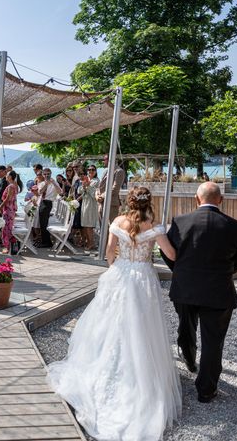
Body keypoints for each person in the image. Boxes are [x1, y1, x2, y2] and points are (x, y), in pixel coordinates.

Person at [47, 187, 181, 440]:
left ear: (127, 201)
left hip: (120, 274)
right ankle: (140, 371)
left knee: (109, 325)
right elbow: (171, 254)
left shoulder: (117, 222)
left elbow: (109, 251)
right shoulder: (154, 226)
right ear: (148, 202)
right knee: (141, 326)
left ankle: (104, 365)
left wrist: (116, 268)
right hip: (143, 277)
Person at [161, 182, 237, 404]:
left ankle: (189, 361)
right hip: (218, 292)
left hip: (185, 288)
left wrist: (181, 274)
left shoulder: (180, 222)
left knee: (186, 328)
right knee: (213, 341)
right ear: (221, 200)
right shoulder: (235, 226)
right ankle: (206, 390)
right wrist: (222, 274)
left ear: (196, 200)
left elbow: (169, 254)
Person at [36, 168, 62, 248]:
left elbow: (60, 192)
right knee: (42, 223)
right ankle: (45, 241)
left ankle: (47, 242)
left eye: (48, 174)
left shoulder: (54, 183)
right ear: (43, 175)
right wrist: (46, 184)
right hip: (42, 202)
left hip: (48, 203)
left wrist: (53, 183)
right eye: (45, 174)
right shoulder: (42, 183)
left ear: (51, 174)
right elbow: (40, 192)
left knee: (44, 223)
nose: (47, 175)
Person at [0, 170, 22, 254]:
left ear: (10, 177)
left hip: (8, 209)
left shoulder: (11, 186)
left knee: (6, 229)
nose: (5, 176)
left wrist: (0, 206)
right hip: (10, 209)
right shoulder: (14, 185)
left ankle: (7, 247)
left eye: (7, 175)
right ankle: (10, 246)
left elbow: (8, 198)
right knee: (7, 228)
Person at [97, 154, 125, 223]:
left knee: (111, 228)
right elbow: (99, 186)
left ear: (110, 160)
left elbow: (115, 188)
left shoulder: (119, 171)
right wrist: (97, 196)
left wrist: (102, 197)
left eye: (105, 160)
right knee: (102, 229)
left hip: (111, 204)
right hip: (101, 204)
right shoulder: (105, 171)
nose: (103, 161)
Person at [78, 165, 99, 251]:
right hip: (85, 203)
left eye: (92, 170)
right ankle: (88, 242)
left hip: (91, 204)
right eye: (89, 170)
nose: (90, 171)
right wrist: (84, 186)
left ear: (95, 171)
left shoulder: (96, 181)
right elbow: (79, 191)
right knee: (85, 225)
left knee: (89, 225)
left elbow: (94, 194)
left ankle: (91, 243)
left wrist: (87, 186)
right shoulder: (86, 179)